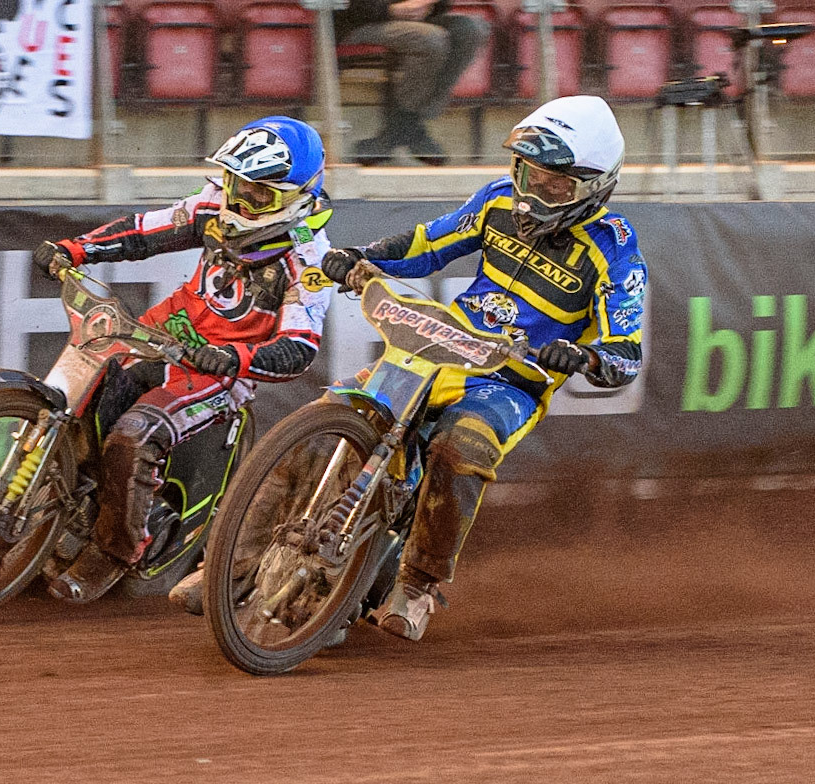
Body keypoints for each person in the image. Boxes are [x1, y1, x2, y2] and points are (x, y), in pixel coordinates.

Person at [320, 95, 647, 641]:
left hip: (512, 379)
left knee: (460, 447)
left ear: (594, 185)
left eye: (554, 184)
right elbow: (428, 244)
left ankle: (419, 584)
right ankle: (238, 557)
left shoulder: (614, 250)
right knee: (334, 411)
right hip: (442, 346)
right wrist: (361, 255)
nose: (533, 190)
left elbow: (626, 351)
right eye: (527, 172)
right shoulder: (497, 201)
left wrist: (584, 356)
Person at [33, 116, 334, 604]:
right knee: (72, 406)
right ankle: (44, 516)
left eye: (258, 194)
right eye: (236, 184)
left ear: (296, 197)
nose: (239, 201)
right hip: (159, 332)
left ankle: (115, 552)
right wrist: (75, 249)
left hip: (216, 372)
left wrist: (231, 357)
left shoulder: (308, 259)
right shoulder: (212, 207)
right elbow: (142, 233)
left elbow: (299, 348)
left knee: (134, 434)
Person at [335, 0, 490, 165]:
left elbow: (442, 6)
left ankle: (404, 126)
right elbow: (350, 7)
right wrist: (390, 10)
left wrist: (426, 4)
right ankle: (410, 128)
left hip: (416, 22)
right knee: (431, 39)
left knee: (470, 29)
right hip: (359, 22)